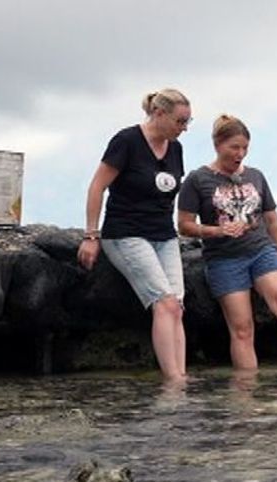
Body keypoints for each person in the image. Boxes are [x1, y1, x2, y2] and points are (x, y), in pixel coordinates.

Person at [177, 114, 277, 370]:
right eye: (234, 147)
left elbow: (272, 221)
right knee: (242, 329)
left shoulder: (256, 176)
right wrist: (218, 231)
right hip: (224, 259)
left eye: (245, 148)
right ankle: (246, 397)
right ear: (217, 145)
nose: (240, 154)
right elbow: (183, 225)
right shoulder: (197, 179)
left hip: (261, 252)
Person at [79, 88, 191, 382]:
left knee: (177, 306)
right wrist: (91, 236)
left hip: (163, 235)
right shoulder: (126, 141)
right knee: (164, 302)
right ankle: (173, 381)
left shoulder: (176, 149)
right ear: (159, 113)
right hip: (125, 233)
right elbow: (96, 187)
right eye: (180, 121)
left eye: (187, 122)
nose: (184, 128)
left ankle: (181, 375)